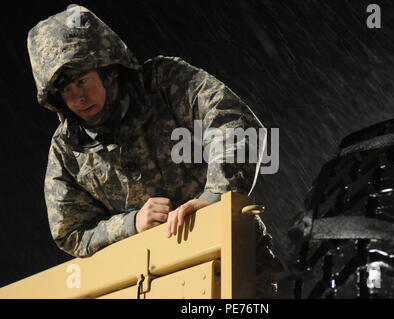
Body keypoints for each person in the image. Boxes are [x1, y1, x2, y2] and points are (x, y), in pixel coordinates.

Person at [27, 5, 282, 297]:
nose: (78, 98)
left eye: (81, 81)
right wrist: (131, 224)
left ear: (108, 69)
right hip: (147, 282)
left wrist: (214, 198)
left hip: (229, 260)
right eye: (66, 92)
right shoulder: (66, 150)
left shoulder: (163, 82)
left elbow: (235, 124)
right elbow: (71, 232)